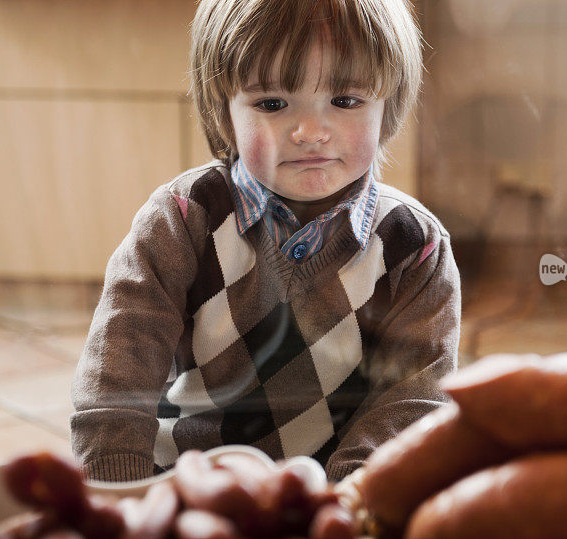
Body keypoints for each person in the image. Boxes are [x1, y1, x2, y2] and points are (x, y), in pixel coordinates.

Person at [71, 0, 461, 483]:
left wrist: (349, 499)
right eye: (273, 104)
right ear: (224, 112)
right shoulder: (181, 219)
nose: (311, 132)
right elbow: (117, 374)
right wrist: (119, 490)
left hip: (333, 493)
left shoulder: (415, 248)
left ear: (390, 106)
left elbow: (413, 401)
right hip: (181, 481)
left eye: (345, 101)